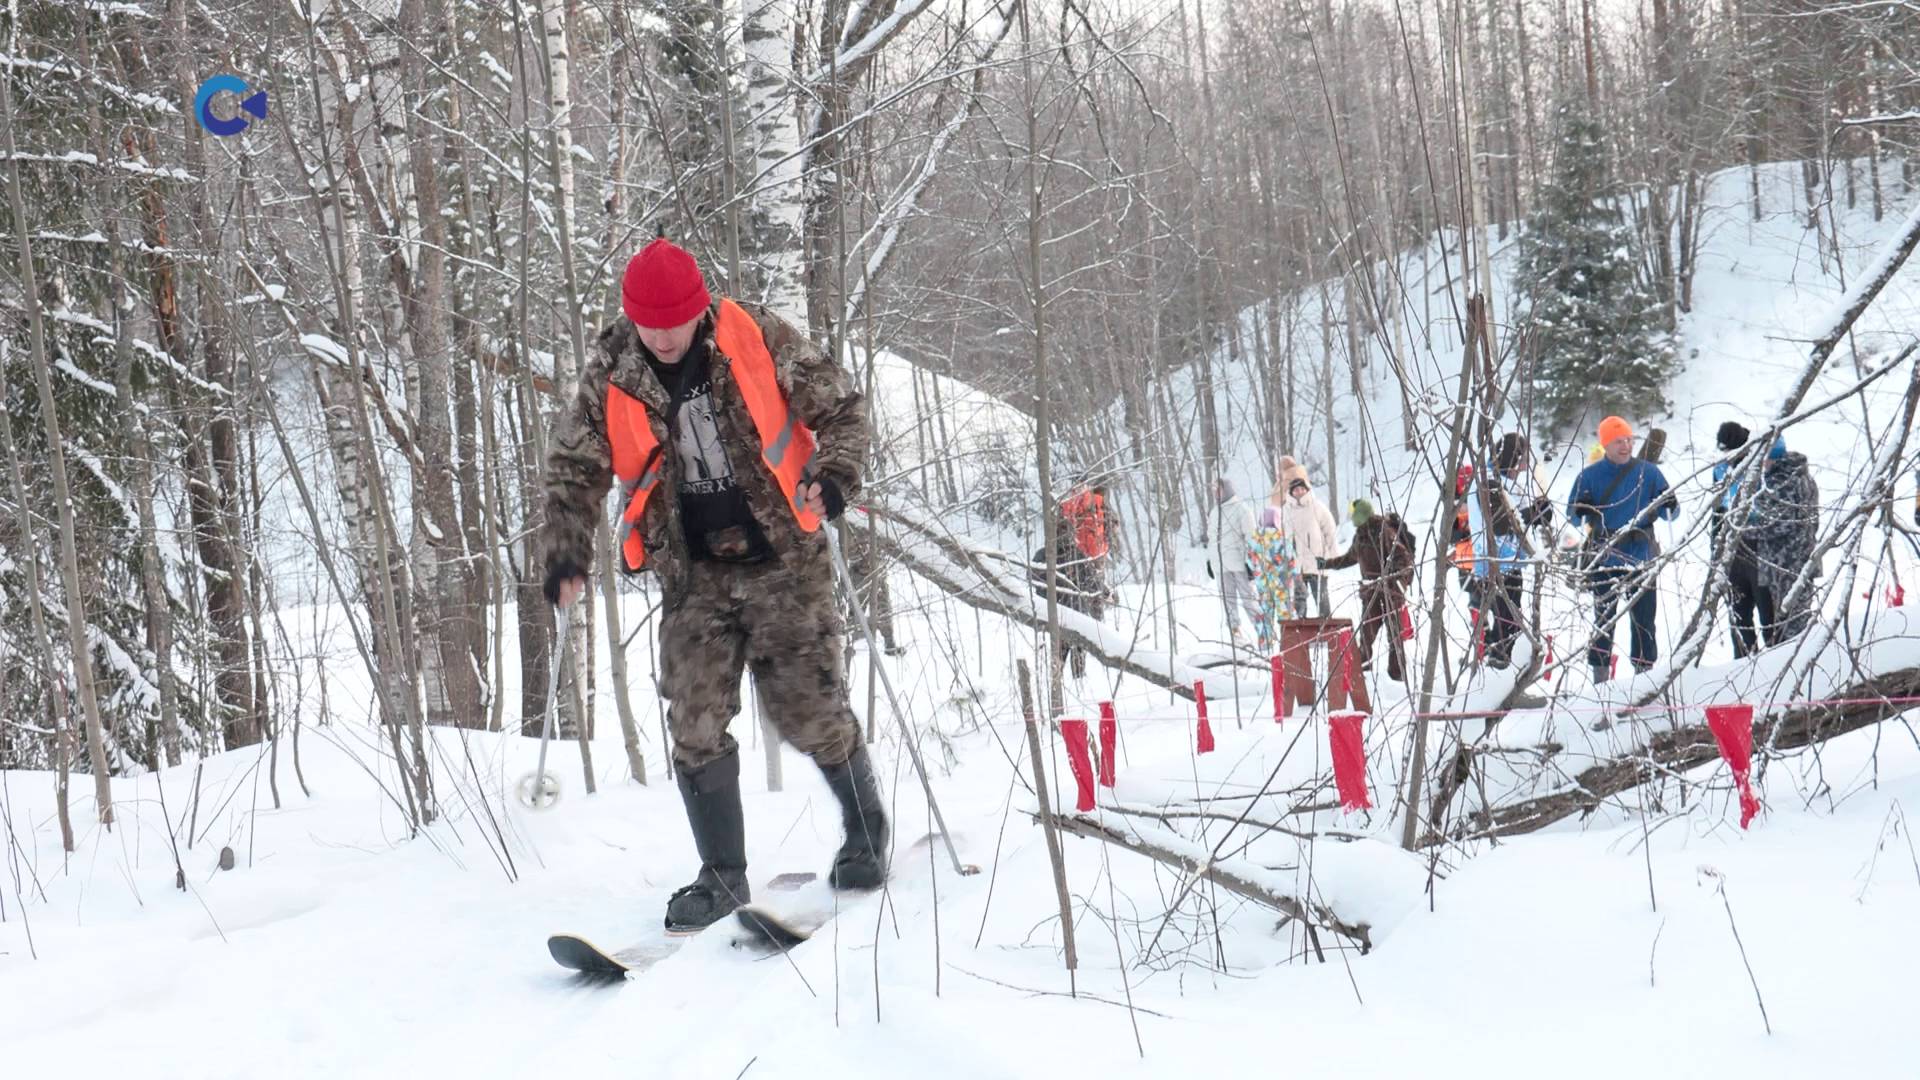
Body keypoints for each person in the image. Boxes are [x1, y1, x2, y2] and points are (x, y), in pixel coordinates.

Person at [540, 237, 885, 933]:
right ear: (631, 318)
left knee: (808, 712)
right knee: (694, 719)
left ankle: (866, 830)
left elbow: (844, 410)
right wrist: (566, 554)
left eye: (676, 321)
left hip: (784, 556)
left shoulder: (754, 335)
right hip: (692, 572)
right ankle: (721, 876)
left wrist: (836, 476)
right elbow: (575, 469)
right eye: (650, 324)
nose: (664, 337)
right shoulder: (612, 369)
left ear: (700, 309)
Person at [1567, 416, 1678, 683]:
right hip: (1605, 557)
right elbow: (1572, 517)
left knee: (1644, 622)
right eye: (1619, 441)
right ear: (1606, 444)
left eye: (1629, 440)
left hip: (1641, 556)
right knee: (1603, 621)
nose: (1625, 445)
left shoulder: (1649, 472)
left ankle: (1644, 678)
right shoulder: (1589, 476)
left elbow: (1672, 514)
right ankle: (1601, 679)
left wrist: (1670, 504)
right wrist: (1581, 509)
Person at [1467, 433, 1554, 669]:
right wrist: (1533, 513)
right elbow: (1502, 523)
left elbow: (1521, 518)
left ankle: (1500, 667)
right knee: (1508, 622)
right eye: (1523, 457)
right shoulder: (1490, 483)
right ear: (1512, 457)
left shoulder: (1508, 482)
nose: (1526, 464)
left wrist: (1540, 511)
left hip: (1511, 562)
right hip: (1495, 564)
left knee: (1509, 621)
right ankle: (1500, 669)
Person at [1320, 498, 1416, 682]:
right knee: (1366, 632)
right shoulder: (1361, 536)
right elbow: (1348, 559)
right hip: (1371, 592)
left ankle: (1397, 676)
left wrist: (1395, 581)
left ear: (1362, 514)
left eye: (1355, 514)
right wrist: (1326, 563)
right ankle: (1361, 670)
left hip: (1391, 591)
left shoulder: (1384, 531)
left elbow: (1403, 557)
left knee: (1394, 635)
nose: (1352, 518)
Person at [1739, 435, 1821, 647]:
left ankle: (1794, 667)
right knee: (1796, 618)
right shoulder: (1803, 476)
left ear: (1769, 458)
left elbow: (1777, 524)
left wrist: (1743, 529)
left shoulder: (1780, 482)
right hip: (1802, 559)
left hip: (1785, 564)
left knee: (1789, 626)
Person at [1046, 478, 1113, 679]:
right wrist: (1104, 591)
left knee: (1059, 648)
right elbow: (1092, 579)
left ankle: (1057, 678)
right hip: (1079, 604)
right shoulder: (1077, 554)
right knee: (1079, 639)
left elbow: (1033, 577)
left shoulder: (1046, 555)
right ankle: (1078, 677)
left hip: (1053, 611)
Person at [1711, 421, 1763, 659]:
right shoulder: (1720, 468)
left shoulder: (1758, 463)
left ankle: (1775, 659)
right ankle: (1743, 661)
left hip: (1759, 542)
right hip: (1732, 543)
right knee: (1738, 612)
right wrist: (1716, 546)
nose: (1728, 455)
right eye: (1724, 451)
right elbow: (1717, 508)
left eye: (1731, 450)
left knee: (1766, 607)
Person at [1270, 466, 1337, 618]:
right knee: (1299, 603)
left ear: (1307, 490)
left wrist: (1333, 557)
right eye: (1296, 490)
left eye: (1302, 489)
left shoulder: (1317, 507)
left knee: (1322, 600)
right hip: (1297, 566)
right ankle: (1301, 633)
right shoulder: (1286, 511)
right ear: (1291, 492)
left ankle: (1326, 630)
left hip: (1317, 562)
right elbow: (1283, 537)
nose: (1299, 492)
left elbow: (1330, 531)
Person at [1206, 478, 1261, 645]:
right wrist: (1210, 560)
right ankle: (1236, 635)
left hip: (1240, 564)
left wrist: (1252, 562)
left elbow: (1252, 538)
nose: (1216, 492)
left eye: (1219, 489)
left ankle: (1264, 633)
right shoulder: (1215, 512)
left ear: (1227, 489)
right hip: (1221, 565)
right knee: (1228, 601)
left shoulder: (1242, 509)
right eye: (1214, 489)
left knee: (1249, 600)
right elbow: (1211, 538)